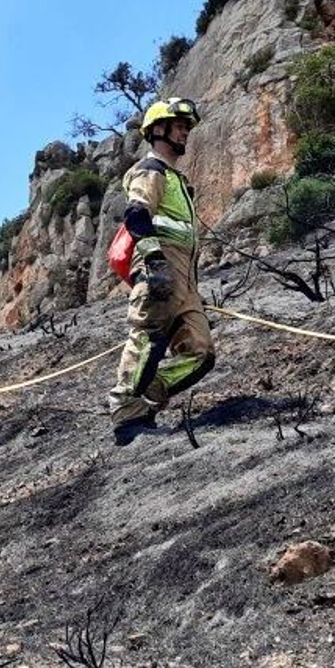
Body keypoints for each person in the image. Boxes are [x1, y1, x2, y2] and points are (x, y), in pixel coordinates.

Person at [107, 97, 215, 445]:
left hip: (185, 279)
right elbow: (137, 214)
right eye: (179, 124)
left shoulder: (174, 178)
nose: (185, 131)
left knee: (201, 354)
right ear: (158, 130)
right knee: (147, 339)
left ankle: (150, 394)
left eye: (187, 126)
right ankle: (126, 416)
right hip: (160, 269)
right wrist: (154, 262)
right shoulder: (150, 171)